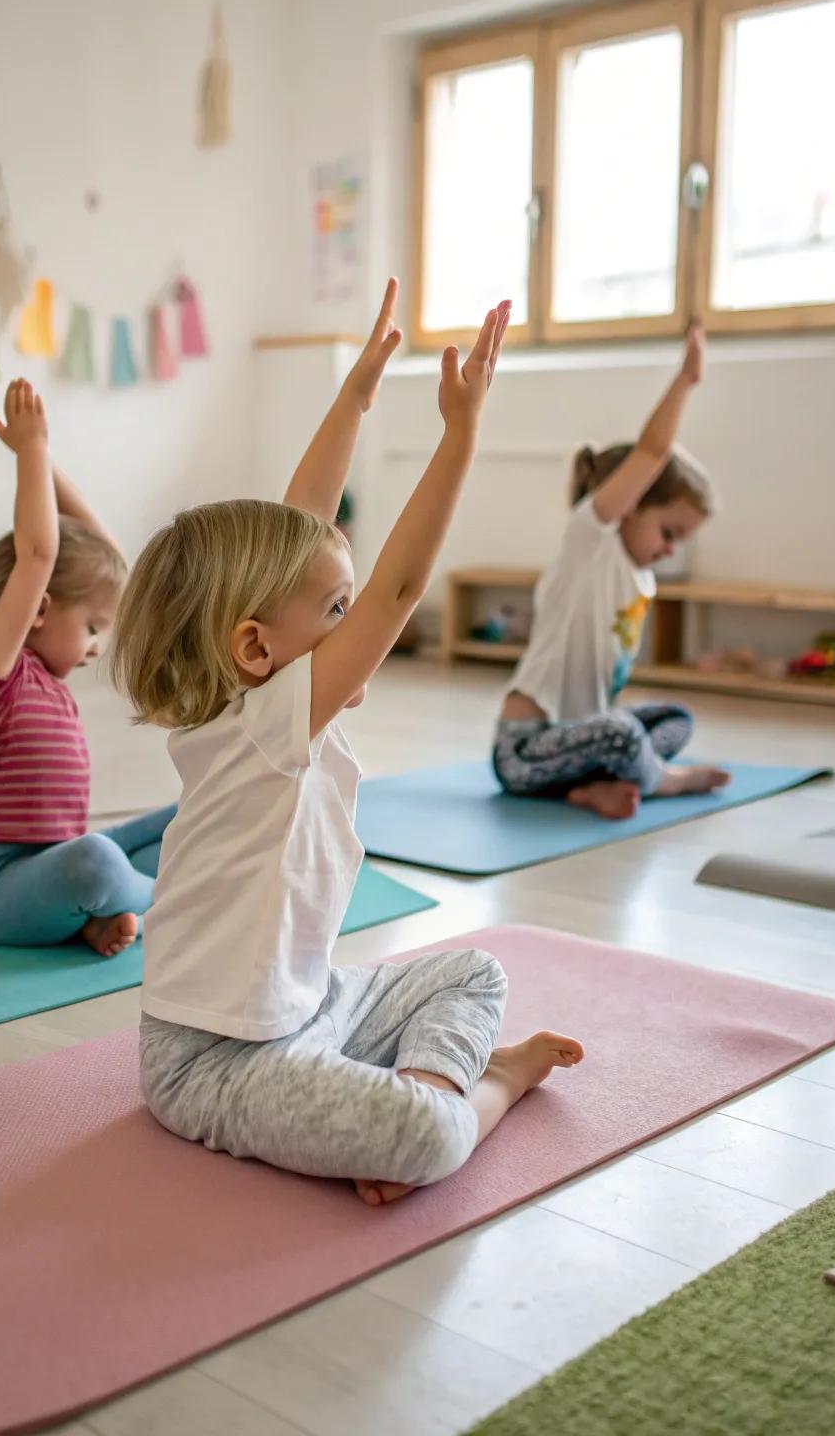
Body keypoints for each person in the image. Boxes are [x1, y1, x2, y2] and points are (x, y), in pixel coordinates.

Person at [112, 280, 584, 1206]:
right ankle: (480, 1089)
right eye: (338, 611)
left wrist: (359, 393)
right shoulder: (262, 728)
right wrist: (459, 436)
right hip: (215, 1060)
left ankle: (417, 1089)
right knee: (428, 1140)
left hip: (312, 1003)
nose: (358, 622)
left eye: (347, 604)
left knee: (475, 967)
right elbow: (399, 589)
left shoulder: (251, 694)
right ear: (257, 647)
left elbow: (305, 518)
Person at [0, 378, 177, 954]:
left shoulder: (45, 676)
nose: (95, 646)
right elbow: (40, 554)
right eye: (91, 628)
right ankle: (168, 896)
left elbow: (108, 563)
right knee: (95, 860)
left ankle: (100, 913)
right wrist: (31, 454)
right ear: (37, 609)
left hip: (58, 863)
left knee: (192, 813)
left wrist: (45, 463)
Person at [493, 323, 728, 820]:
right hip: (525, 752)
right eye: (668, 532)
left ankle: (590, 788)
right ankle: (661, 781)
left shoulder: (641, 577)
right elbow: (652, 452)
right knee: (621, 734)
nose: (671, 550)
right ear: (630, 505)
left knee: (673, 719)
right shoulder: (591, 545)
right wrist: (686, 381)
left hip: (580, 744)